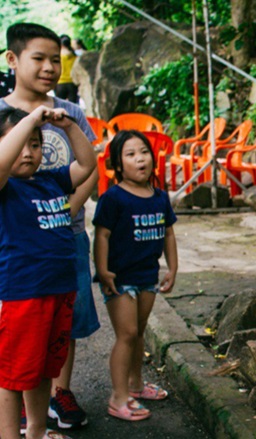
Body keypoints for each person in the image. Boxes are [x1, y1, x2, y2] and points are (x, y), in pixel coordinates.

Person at [2, 22, 100, 432]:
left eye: (54, 60)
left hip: (60, 272)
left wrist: (66, 125)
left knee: (47, 362)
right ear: (13, 60)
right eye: (37, 58)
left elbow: (88, 166)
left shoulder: (50, 174)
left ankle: (41, 426)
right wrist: (31, 121)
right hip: (21, 287)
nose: (48, 67)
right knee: (13, 372)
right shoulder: (10, 182)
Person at [93, 130, 178, 422]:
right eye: (130, 154)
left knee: (139, 332)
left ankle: (136, 386)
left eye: (144, 151)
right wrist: (102, 270)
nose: (140, 158)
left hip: (147, 276)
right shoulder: (113, 198)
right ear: (118, 164)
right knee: (126, 334)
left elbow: (168, 233)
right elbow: (101, 235)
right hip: (120, 278)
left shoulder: (160, 197)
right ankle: (118, 398)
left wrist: (172, 268)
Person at [54, 35, 78, 104]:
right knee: (73, 106)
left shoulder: (58, 57)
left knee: (59, 106)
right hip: (72, 83)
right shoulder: (74, 56)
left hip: (60, 83)